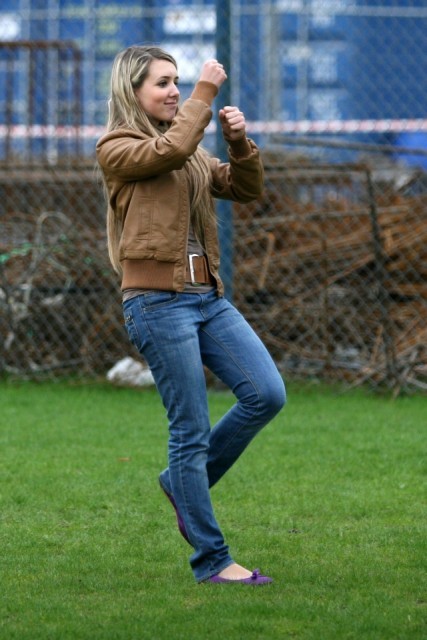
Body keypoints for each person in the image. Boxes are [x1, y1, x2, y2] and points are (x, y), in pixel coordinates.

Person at [96, 45, 286, 585]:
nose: (175, 90)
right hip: (157, 304)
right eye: (162, 83)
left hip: (208, 298)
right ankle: (212, 561)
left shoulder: (191, 151)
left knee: (266, 393)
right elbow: (170, 150)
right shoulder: (118, 147)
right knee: (191, 429)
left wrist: (238, 143)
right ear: (132, 90)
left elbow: (245, 189)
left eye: (178, 81)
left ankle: (181, 483)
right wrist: (206, 93)